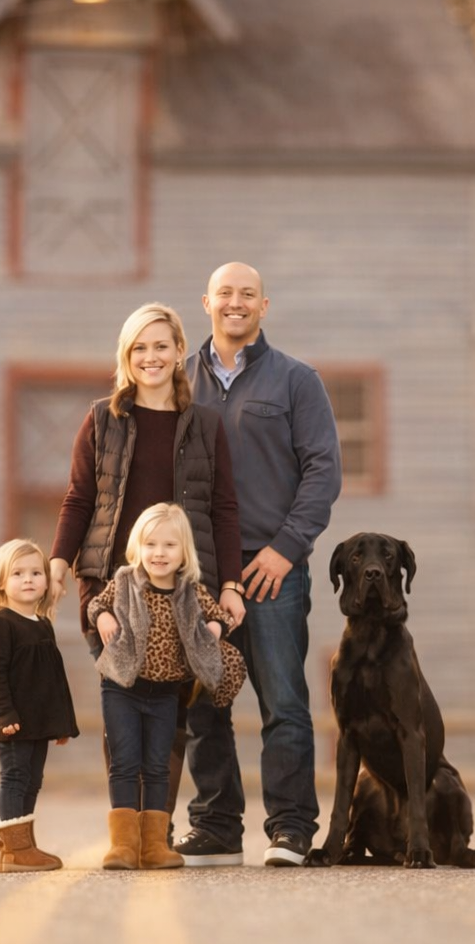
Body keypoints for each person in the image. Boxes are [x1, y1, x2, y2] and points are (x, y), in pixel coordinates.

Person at [48, 302, 247, 823]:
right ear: (126, 355)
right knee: (121, 708)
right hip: (112, 588)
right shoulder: (101, 420)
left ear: (181, 351)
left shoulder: (205, 424)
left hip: (182, 588)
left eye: (161, 346)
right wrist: (57, 563)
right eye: (140, 347)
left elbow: (224, 509)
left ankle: (155, 830)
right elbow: (78, 499)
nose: (151, 357)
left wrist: (230, 585)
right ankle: (125, 826)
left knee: (171, 714)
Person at [177, 261, 342, 868]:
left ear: (264, 307)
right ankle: (217, 827)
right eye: (225, 293)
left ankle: (291, 828)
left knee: (284, 702)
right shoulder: (177, 379)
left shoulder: (298, 381)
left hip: (273, 568)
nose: (236, 303)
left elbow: (323, 471)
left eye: (248, 294)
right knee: (203, 701)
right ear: (206, 302)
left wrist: (286, 547)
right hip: (198, 573)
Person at [88, 503, 246, 870]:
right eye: (151, 544)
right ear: (138, 547)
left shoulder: (189, 591)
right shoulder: (126, 581)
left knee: (158, 765)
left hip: (165, 694)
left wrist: (216, 629)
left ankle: (154, 845)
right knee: (125, 762)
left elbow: (219, 615)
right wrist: (106, 617)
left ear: (184, 552)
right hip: (122, 686)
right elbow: (97, 604)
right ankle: (124, 845)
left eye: (169, 546)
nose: (159, 553)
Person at [0, 538, 80, 873]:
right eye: (18, 573)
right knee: (15, 777)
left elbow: (53, 681)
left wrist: (62, 723)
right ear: (2, 583)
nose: (29, 579)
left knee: (33, 779)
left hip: (39, 721)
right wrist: (3, 714)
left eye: (36, 572)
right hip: (14, 720)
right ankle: (17, 849)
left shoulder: (42, 624)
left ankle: (18, 849)